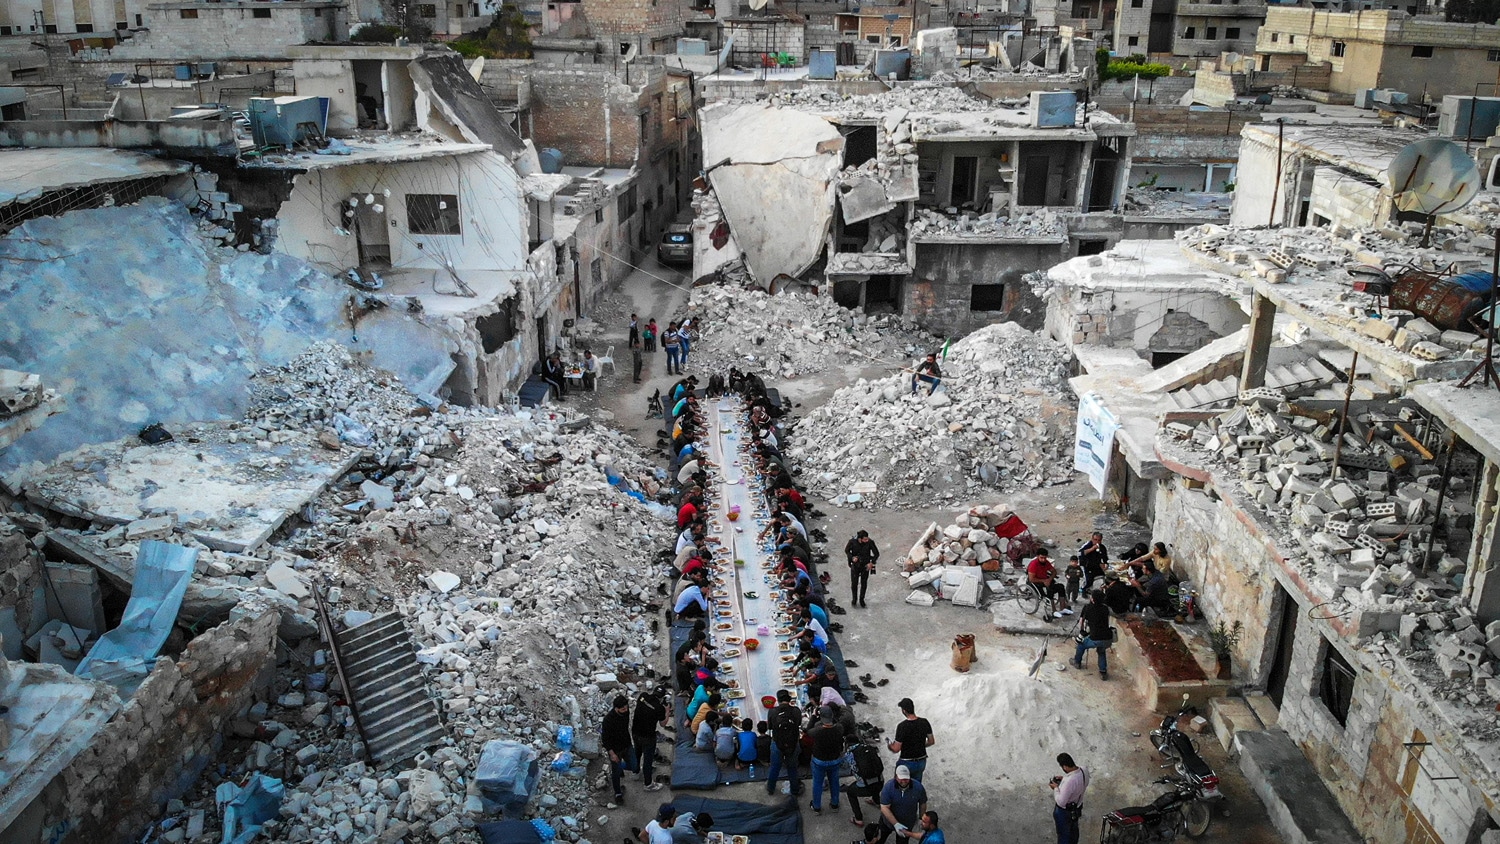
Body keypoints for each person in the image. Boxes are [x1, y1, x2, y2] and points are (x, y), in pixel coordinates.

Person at [876, 765, 927, 844]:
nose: (904, 781)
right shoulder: (888, 787)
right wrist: (896, 824)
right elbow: (884, 807)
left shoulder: (918, 787)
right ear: (896, 777)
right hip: (887, 822)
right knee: (880, 839)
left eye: (906, 778)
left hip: (906, 825)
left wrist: (921, 818)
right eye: (901, 778)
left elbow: (922, 803)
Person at [633, 685, 670, 792]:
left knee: (637, 752)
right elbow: (663, 724)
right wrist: (666, 711)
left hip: (635, 732)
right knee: (647, 760)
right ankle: (648, 784)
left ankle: (635, 773)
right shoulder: (659, 708)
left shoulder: (642, 696)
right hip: (648, 737)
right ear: (662, 698)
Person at [887, 698, 935, 782]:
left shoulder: (902, 726)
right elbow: (931, 741)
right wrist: (919, 745)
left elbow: (896, 749)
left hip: (906, 762)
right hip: (921, 762)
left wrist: (890, 745)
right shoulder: (924, 722)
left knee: (900, 786)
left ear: (904, 711)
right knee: (915, 785)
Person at [766, 689, 803, 797]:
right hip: (793, 743)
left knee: (775, 767)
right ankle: (795, 790)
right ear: (789, 699)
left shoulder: (772, 711)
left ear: (778, 700)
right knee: (792, 768)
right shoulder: (796, 711)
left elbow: (770, 727)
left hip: (777, 742)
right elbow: (799, 723)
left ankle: (771, 788)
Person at [1071, 589, 1115, 680]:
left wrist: (1082, 632)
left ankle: (1077, 662)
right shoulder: (1105, 608)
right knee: (1101, 651)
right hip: (1107, 638)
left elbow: (1081, 621)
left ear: (1092, 599)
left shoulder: (1088, 608)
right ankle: (1103, 672)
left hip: (1095, 638)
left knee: (1081, 645)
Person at [808, 707, 845, 814]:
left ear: (821, 717)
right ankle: (834, 804)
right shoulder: (839, 728)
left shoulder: (817, 731)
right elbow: (837, 724)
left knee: (817, 783)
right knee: (834, 781)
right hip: (835, 760)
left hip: (819, 761)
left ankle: (817, 806)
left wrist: (814, 717)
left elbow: (808, 729)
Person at [602, 694, 635, 805]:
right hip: (615, 749)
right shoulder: (608, 720)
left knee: (634, 766)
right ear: (616, 708)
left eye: (626, 708)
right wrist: (612, 754)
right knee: (615, 773)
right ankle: (618, 793)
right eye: (623, 709)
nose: (625, 710)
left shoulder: (626, 712)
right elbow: (605, 739)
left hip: (626, 745)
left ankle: (621, 766)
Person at [845, 740, 885, 828]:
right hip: (880, 784)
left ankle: (858, 819)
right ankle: (876, 801)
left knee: (850, 791)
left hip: (866, 788)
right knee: (873, 778)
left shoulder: (850, 753)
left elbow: (855, 771)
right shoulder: (868, 748)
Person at [1050, 753, 1088, 844]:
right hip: (1077, 807)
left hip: (1065, 812)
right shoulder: (1084, 770)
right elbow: (1077, 781)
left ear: (1065, 767)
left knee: (1064, 836)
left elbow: (1061, 802)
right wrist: (1064, 779)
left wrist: (1055, 788)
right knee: (1074, 833)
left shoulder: (1069, 782)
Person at [1027, 549, 1072, 618]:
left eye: (1045, 558)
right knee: (1049, 589)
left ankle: (1063, 608)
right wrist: (1044, 581)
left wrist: (1049, 579)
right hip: (1036, 582)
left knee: (1061, 587)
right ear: (1037, 556)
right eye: (1041, 558)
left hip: (1045, 579)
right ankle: (1054, 611)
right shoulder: (1033, 565)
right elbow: (1031, 579)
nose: (1043, 560)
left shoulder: (1046, 563)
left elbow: (1054, 572)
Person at [846, 530, 879, 608]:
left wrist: (871, 563)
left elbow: (876, 554)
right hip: (855, 565)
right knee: (854, 583)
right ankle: (854, 599)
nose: (866, 540)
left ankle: (862, 599)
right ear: (860, 539)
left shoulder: (870, 542)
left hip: (865, 565)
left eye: (867, 539)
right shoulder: (852, 542)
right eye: (865, 539)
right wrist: (852, 557)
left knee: (864, 583)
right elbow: (847, 551)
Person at [1078, 532, 1109, 599]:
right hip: (1087, 565)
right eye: (1095, 539)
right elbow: (1081, 553)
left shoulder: (1102, 548)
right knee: (1088, 580)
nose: (1097, 542)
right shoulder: (1087, 545)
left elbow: (1105, 558)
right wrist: (1092, 549)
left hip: (1097, 565)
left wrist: (1105, 564)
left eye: (1099, 540)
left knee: (1103, 578)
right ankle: (1084, 589)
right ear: (1092, 539)